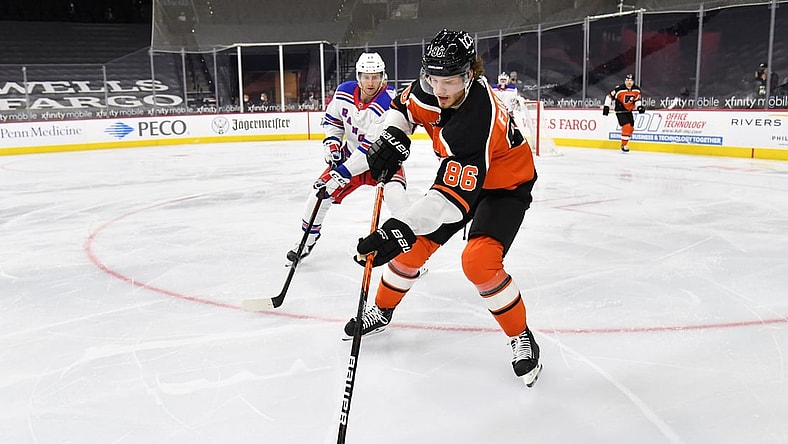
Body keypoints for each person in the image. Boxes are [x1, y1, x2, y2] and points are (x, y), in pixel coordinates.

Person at [343, 29, 542, 387]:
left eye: (449, 80)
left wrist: (400, 227)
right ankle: (383, 310)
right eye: (433, 78)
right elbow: (401, 109)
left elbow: (451, 202)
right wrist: (394, 135)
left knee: (478, 261)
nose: (440, 89)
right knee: (412, 247)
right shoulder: (431, 87)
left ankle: (520, 335)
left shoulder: (477, 116)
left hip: (504, 186)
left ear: (470, 74)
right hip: (462, 177)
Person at [285, 53, 407, 263]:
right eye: (366, 77)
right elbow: (334, 121)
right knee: (319, 194)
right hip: (349, 157)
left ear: (383, 77)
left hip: (383, 163)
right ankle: (308, 240)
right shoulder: (344, 92)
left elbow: (369, 149)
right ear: (358, 76)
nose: (371, 82)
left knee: (401, 207)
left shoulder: (389, 102)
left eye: (376, 76)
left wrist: (343, 172)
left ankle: (411, 256)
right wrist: (331, 142)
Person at [603, 73, 644, 153]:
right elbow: (609, 96)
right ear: (625, 81)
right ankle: (624, 145)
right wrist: (606, 107)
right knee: (627, 126)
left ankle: (624, 144)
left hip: (629, 111)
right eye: (627, 80)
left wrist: (639, 107)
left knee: (631, 128)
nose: (629, 82)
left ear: (633, 82)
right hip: (620, 111)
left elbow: (637, 100)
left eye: (631, 80)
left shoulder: (637, 90)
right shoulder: (619, 89)